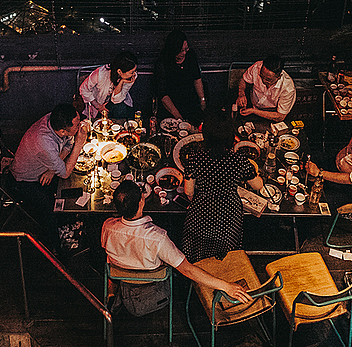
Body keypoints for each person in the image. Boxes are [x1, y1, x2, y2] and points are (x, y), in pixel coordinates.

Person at [101, 180, 253, 310]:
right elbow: (188, 270)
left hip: (122, 275)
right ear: (141, 202)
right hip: (151, 278)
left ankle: (111, 291)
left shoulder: (107, 226)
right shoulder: (158, 237)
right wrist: (227, 286)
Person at [181, 110, 264, 263]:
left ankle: (199, 267)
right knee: (225, 249)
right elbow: (258, 185)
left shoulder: (195, 158)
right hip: (229, 217)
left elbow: (188, 191)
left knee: (198, 245)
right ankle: (224, 266)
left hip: (201, 214)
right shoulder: (238, 160)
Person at [10, 103, 88, 248]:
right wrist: (79, 144)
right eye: (77, 126)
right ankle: (55, 247)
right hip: (25, 181)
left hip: (46, 167)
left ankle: (70, 221)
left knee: (70, 187)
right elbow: (64, 173)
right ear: (64, 130)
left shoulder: (55, 119)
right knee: (49, 210)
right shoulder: (44, 142)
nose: (80, 126)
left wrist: (53, 169)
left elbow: (66, 145)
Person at [154, 30, 205, 125]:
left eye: (186, 49)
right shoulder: (162, 64)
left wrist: (202, 101)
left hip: (190, 101)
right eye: (181, 50)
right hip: (171, 105)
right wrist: (179, 118)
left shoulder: (190, 55)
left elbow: (197, 80)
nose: (184, 53)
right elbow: (163, 95)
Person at [79, 51, 140, 121]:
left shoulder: (130, 78)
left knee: (120, 109)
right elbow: (83, 89)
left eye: (135, 71)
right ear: (119, 71)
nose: (134, 74)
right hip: (97, 102)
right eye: (132, 72)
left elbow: (116, 100)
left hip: (115, 102)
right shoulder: (100, 74)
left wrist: (121, 82)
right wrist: (98, 106)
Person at [235, 54, 295, 122]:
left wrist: (253, 111)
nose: (263, 81)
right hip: (253, 107)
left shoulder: (288, 88)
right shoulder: (257, 67)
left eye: (268, 80)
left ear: (279, 77)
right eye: (261, 76)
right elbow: (244, 80)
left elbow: (280, 116)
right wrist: (241, 94)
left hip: (272, 116)